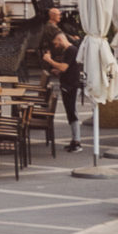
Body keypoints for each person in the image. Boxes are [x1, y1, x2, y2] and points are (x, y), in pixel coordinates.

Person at [38, 10, 83, 152]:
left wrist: (50, 61)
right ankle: (74, 139)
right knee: (70, 111)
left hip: (70, 85)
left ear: (60, 39)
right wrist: (57, 70)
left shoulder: (71, 50)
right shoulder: (68, 51)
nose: (55, 45)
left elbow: (64, 67)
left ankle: (77, 141)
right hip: (68, 83)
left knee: (71, 111)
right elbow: (67, 68)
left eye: (55, 43)